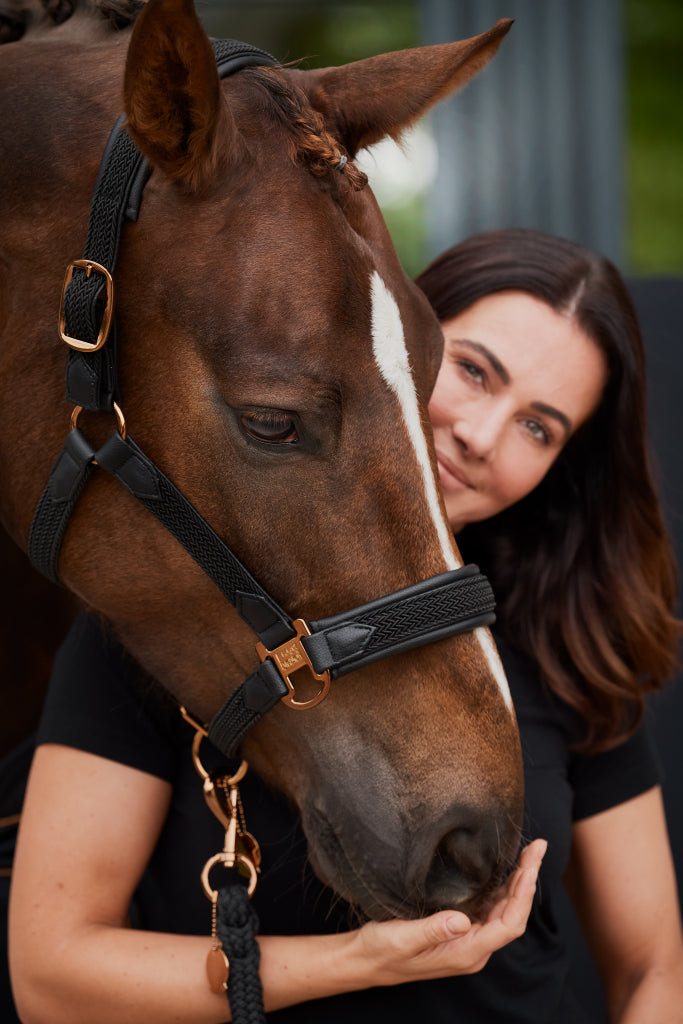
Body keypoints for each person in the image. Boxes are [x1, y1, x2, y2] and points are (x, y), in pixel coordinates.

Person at [8, 229, 683, 1024]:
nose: (481, 434)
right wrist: (351, 964)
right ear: (394, 338)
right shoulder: (175, 615)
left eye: (538, 426)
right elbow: (52, 976)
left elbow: (650, 968)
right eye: (472, 371)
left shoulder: (567, 639)